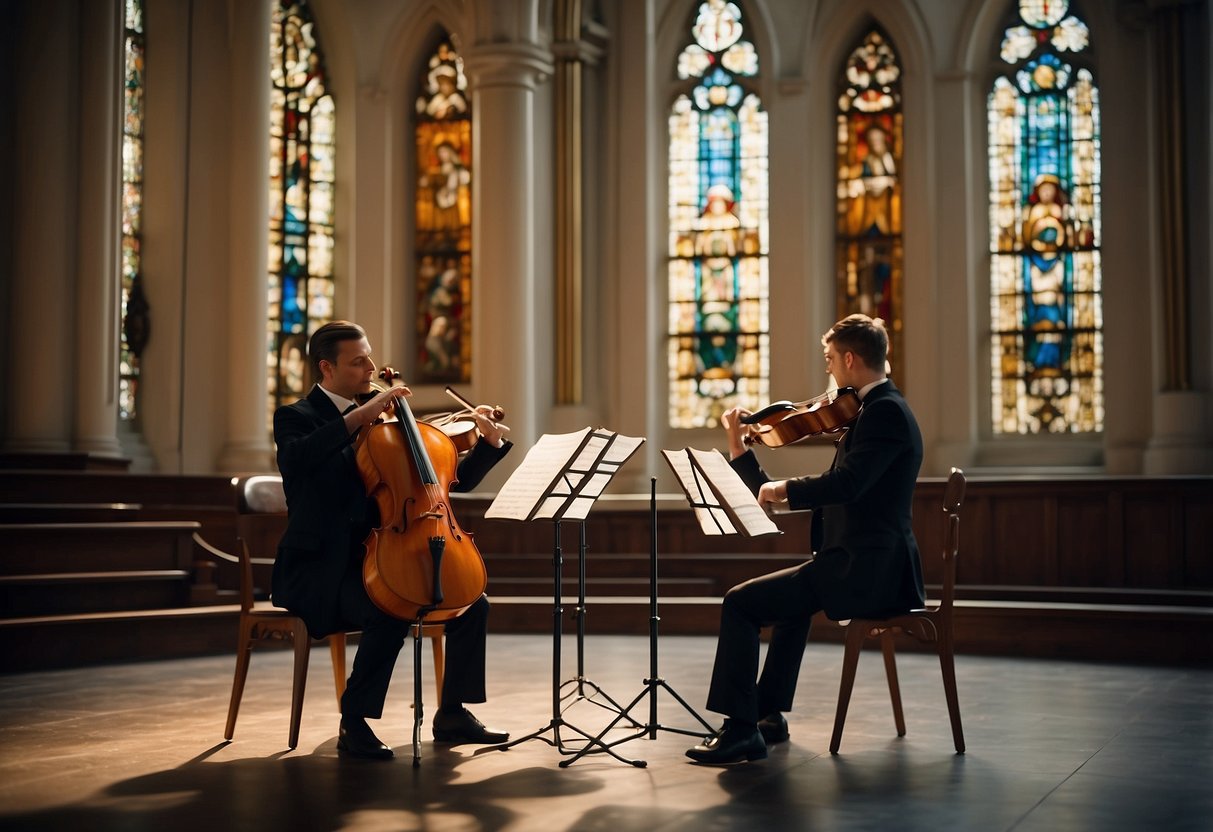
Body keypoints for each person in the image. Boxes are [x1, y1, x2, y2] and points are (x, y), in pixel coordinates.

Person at [686, 313, 924, 764]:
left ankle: (740, 729)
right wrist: (742, 450)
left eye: (831, 359)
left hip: (868, 570)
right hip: (858, 562)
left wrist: (784, 489)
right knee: (787, 608)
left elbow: (847, 484)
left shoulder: (885, 413)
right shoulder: (874, 411)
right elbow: (842, 486)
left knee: (740, 603)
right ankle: (765, 715)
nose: (829, 370)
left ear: (851, 359)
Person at [272, 320, 513, 760]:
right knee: (391, 605)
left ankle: (453, 713)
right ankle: (355, 722)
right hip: (324, 567)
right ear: (326, 367)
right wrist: (362, 414)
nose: (370, 366)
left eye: (369, 355)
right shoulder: (296, 418)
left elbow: (436, 484)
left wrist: (487, 445)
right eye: (358, 360)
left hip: (384, 553)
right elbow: (297, 459)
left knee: (473, 602)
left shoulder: (386, 419)